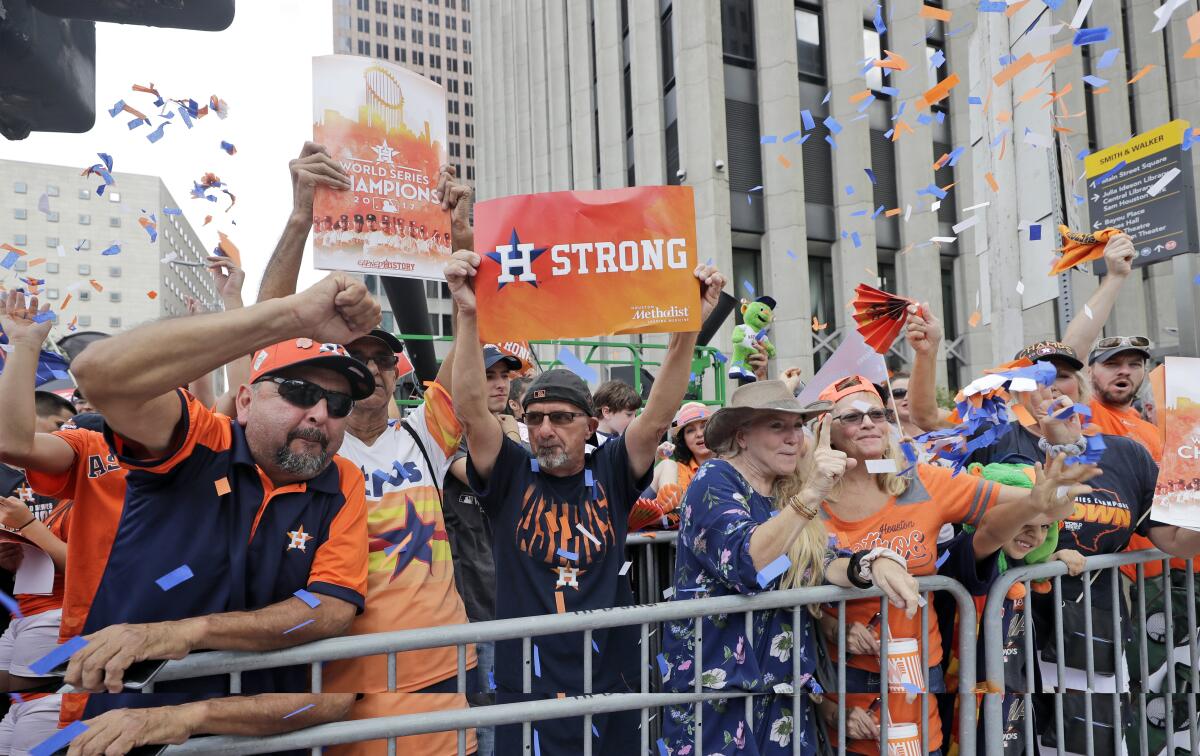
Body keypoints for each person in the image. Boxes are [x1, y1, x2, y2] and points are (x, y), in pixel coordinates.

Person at [448, 248, 725, 755]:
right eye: (534, 419)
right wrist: (468, 314)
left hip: (605, 670)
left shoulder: (613, 470)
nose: (545, 430)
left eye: (560, 418)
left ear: (591, 426)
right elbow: (468, 407)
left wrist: (689, 325)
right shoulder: (510, 472)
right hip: (525, 675)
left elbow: (660, 410)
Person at [256, 145, 480, 756]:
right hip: (346, 680)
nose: (374, 370)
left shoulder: (423, 434)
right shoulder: (308, 441)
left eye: (384, 359)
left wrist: (460, 236)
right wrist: (300, 218)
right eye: (358, 358)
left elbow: (470, 354)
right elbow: (264, 338)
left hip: (443, 674)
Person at [812, 374, 1093, 755]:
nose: (867, 422)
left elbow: (1049, 505)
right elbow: (780, 582)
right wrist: (830, 627)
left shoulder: (923, 480)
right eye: (851, 416)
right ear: (827, 430)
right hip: (840, 673)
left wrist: (1062, 452)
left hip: (920, 666)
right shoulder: (809, 495)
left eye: (876, 414)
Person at [658, 380, 919, 755]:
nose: (793, 438)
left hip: (782, 690)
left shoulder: (782, 490)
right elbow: (748, 563)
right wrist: (811, 493)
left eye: (797, 426)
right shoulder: (713, 480)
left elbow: (820, 563)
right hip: (718, 691)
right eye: (777, 426)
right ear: (742, 436)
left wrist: (873, 564)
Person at [936, 461, 1094, 755]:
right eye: (1024, 524)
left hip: (1011, 696)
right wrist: (1032, 505)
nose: (1035, 537)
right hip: (966, 699)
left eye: (1045, 527)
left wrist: (1055, 556)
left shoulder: (1022, 564)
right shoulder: (965, 549)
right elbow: (990, 535)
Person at [592, 379, 642, 446]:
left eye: (635, 414)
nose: (634, 419)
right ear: (606, 412)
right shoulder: (591, 445)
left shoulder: (621, 436)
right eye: (629, 414)